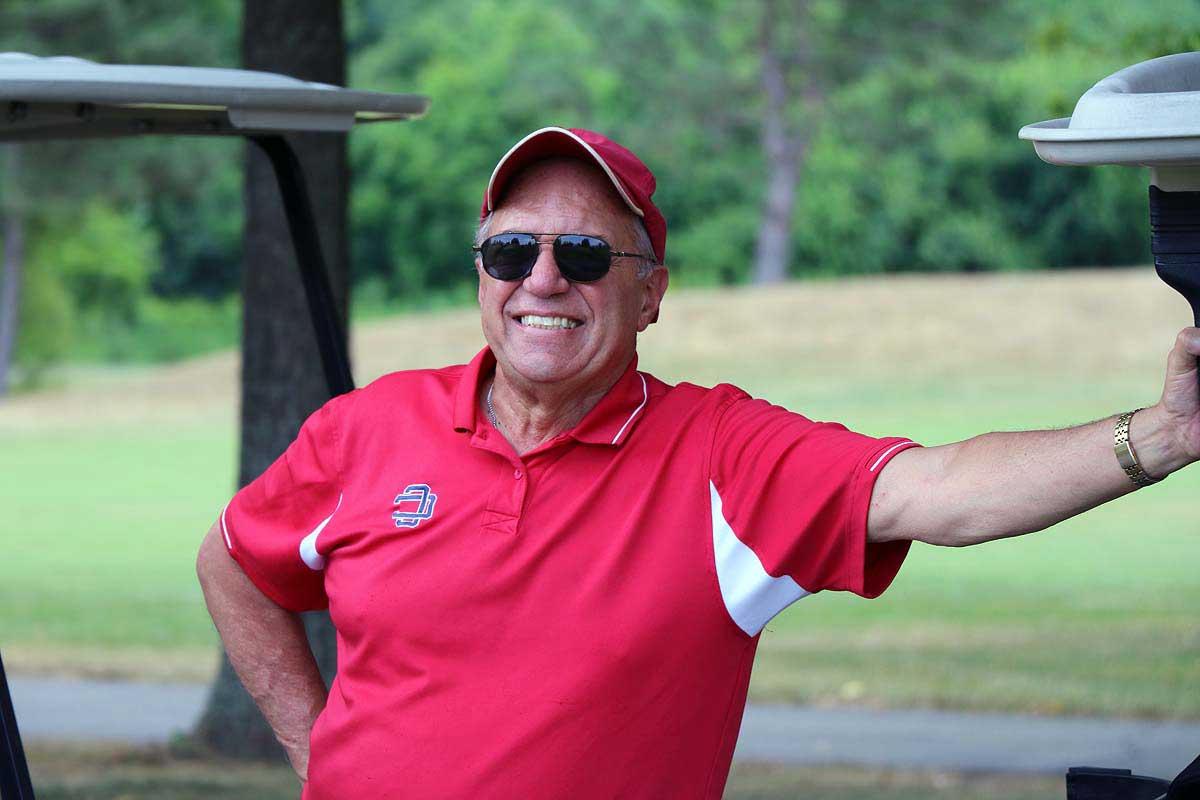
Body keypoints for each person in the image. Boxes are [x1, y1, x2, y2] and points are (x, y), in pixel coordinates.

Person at [196, 126, 1200, 799]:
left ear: (651, 292)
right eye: (512, 252)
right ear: (481, 275)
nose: (543, 279)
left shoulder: (722, 454)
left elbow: (938, 492)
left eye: (586, 255)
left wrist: (1157, 436)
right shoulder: (367, 428)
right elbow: (234, 561)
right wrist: (315, 747)